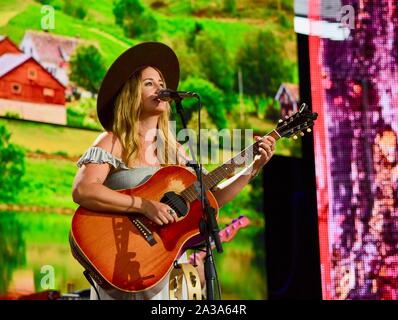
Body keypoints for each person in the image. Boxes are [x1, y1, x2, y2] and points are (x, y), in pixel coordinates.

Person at [71, 41, 275, 300]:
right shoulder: (112, 141)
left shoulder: (176, 153)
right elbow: (83, 190)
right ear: (132, 93)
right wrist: (144, 205)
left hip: (158, 276)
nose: (161, 88)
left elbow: (210, 200)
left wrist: (251, 168)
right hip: (116, 268)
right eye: (149, 83)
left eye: (161, 82)